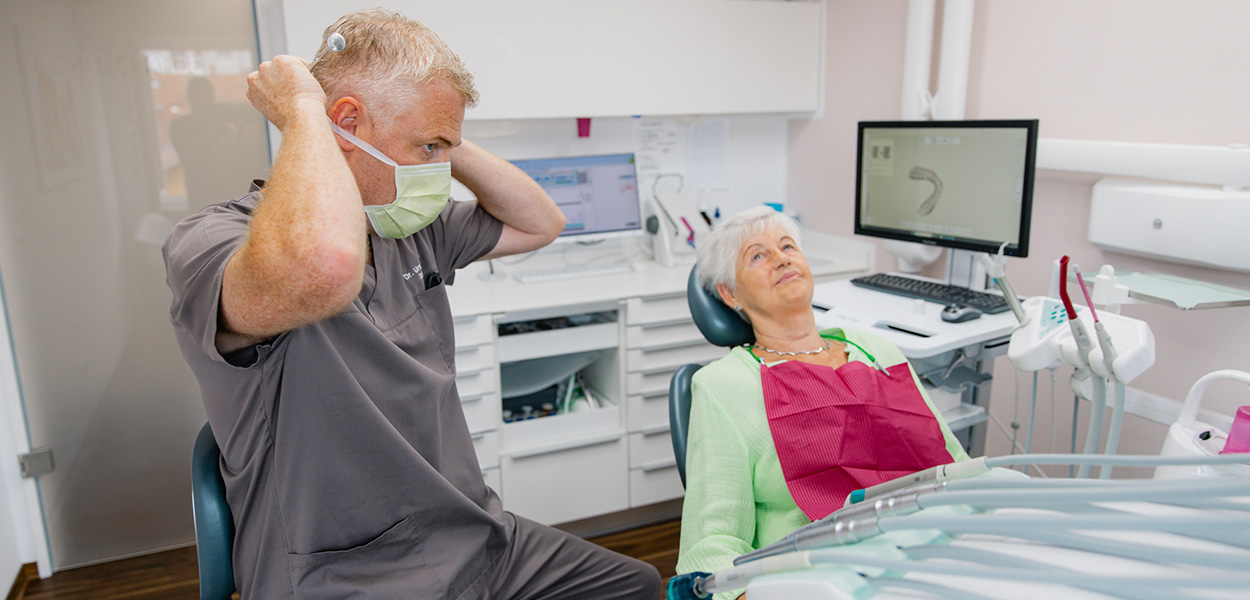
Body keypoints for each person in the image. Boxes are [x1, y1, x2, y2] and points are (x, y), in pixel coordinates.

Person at [163, 9, 661, 600]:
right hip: (345, 575)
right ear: (345, 122)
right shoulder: (215, 241)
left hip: (472, 538)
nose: (440, 173)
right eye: (428, 147)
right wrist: (304, 113)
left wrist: (443, 136)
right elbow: (324, 268)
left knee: (634, 584)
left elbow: (541, 221)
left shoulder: (406, 225)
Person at [675, 206, 970, 600]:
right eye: (758, 256)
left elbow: (957, 467)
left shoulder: (876, 350)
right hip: (830, 575)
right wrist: (742, 594)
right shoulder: (724, 384)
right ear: (730, 294)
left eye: (787, 247)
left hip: (940, 548)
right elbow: (713, 537)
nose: (782, 258)